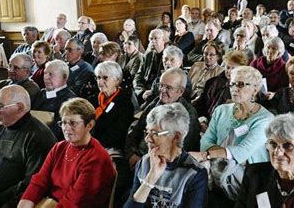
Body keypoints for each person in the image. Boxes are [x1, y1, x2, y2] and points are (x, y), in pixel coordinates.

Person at [192, 66, 274, 207]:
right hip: (216, 171)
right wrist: (219, 155)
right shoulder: (221, 110)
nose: (235, 88)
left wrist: (207, 155)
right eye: (232, 84)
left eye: (241, 84)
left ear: (255, 89)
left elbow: (242, 152)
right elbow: (206, 140)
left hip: (248, 179)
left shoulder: (265, 119)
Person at [0, 85, 56, 207]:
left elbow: (32, 183)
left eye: (1, 106)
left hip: (9, 201)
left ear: (20, 107)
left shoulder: (38, 136)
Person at [18, 98, 115, 208]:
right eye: (63, 122)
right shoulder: (59, 147)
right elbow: (41, 180)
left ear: (89, 125)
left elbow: (75, 201)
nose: (66, 128)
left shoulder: (97, 158)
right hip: (53, 203)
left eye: (73, 123)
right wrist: (26, 201)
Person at [124, 103, 207, 207]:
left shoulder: (194, 173)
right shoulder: (144, 162)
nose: (147, 139)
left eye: (154, 133)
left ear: (176, 136)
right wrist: (151, 177)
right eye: (147, 132)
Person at [126, 68, 201, 171]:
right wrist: (132, 154)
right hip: (140, 158)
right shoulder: (156, 102)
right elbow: (137, 130)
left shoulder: (188, 114)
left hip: (163, 166)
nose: (162, 90)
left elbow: (179, 151)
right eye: (161, 85)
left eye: (168, 88)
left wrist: (146, 162)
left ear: (180, 91)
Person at [93, 61, 134, 206]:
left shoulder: (124, 103)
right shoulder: (97, 98)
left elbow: (117, 134)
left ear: (117, 80)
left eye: (105, 78)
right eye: (98, 78)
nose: (100, 82)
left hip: (111, 148)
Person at [194, 51, 248, 127]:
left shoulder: (243, 89)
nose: (229, 71)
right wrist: (202, 120)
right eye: (228, 67)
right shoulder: (212, 82)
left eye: (233, 69)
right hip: (205, 122)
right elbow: (201, 104)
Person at [32, 60, 77, 140]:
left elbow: (59, 129)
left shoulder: (70, 99)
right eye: (45, 73)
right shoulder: (40, 93)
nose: (46, 77)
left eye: (51, 74)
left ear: (64, 77)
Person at [133, 29, 168, 101]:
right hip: (144, 90)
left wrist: (152, 91)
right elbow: (138, 76)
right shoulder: (148, 55)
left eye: (156, 38)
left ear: (163, 40)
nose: (152, 41)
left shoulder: (168, 56)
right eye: (151, 39)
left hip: (158, 92)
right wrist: (141, 91)